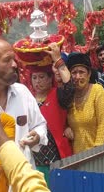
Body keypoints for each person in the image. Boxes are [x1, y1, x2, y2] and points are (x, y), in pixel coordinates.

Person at [0, 36, 48, 170]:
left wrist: (38, 136)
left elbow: (40, 124)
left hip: (25, 181)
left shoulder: (22, 92)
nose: (14, 65)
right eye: (7, 60)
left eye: (13, 59)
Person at [30, 43, 73, 184]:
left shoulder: (57, 94)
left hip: (57, 157)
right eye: (34, 78)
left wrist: (58, 61)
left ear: (50, 79)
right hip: (34, 159)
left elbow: (70, 86)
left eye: (41, 77)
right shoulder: (28, 99)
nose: (38, 81)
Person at [65, 53, 104, 153]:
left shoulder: (97, 91)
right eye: (74, 72)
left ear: (89, 74)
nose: (77, 76)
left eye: (81, 72)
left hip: (98, 155)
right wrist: (66, 128)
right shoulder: (68, 95)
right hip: (76, 158)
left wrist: (96, 153)